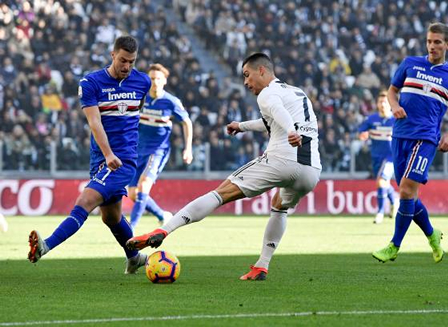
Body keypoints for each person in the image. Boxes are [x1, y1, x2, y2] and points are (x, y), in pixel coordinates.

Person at [126, 52, 322, 280]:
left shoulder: (267, 94)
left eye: (248, 75)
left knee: (219, 194)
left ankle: (163, 229)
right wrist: (242, 126)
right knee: (279, 206)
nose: (246, 83)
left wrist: (290, 131)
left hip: (281, 160)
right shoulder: (298, 93)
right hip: (311, 171)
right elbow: (271, 120)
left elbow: (279, 113)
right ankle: (262, 265)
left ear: (262, 71)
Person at [28, 35, 151, 274]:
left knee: (84, 202)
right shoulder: (92, 83)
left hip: (122, 162)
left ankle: (45, 246)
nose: (127, 66)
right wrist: (107, 155)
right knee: (111, 218)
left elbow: (138, 112)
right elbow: (95, 123)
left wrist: (120, 153)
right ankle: (135, 257)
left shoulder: (142, 82)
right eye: (123, 60)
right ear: (112, 55)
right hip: (103, 159)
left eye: (132, 62)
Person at [372, 23, 448, 263]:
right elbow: (392, 91)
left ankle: (394, 245)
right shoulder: (410, 64)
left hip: (426, 138)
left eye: (437, 42)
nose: (432, 46)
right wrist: (394, 106)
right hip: (400, 134)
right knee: (408, 194)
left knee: (405, 189)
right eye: (429, 41)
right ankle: (433, 236)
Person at [128, 63, 193, 229]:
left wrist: (188, 148)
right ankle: (162, 215)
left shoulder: (171, 102)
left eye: (158, 79)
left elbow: (187, 122)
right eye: (151, 79)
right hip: (137, 151)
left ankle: (131, 228)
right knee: (133, 194)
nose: (155, 82)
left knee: (143, 186)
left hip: (157, 151)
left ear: (164, 81)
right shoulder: (140, 98)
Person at [358, 91, 398, 224]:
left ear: (390, 104)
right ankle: (394, 201)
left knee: (381, 181)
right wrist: (363, 135)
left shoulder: (396, 120)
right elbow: (361, 132)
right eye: (380, 102)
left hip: (391, 157)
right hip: (376, 157)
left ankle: (380, 212)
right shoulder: (371, 119)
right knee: (383, 183)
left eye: (385, 102)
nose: (382, 104)